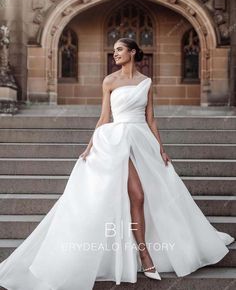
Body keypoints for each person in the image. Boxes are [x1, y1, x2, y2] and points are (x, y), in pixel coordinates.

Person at [0, 38, 234, 290]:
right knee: (138, 194)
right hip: (115, 141)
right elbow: (104, 117)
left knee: (146, 196)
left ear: (133, 52)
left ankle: (144, 252)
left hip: (141, 139)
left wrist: (161, 148)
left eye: (120, 50)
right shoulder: (109, 81)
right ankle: (144, 256)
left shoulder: (146, 82)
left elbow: (151, 118)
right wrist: (89, 147)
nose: (115, 54)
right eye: (113, 51)